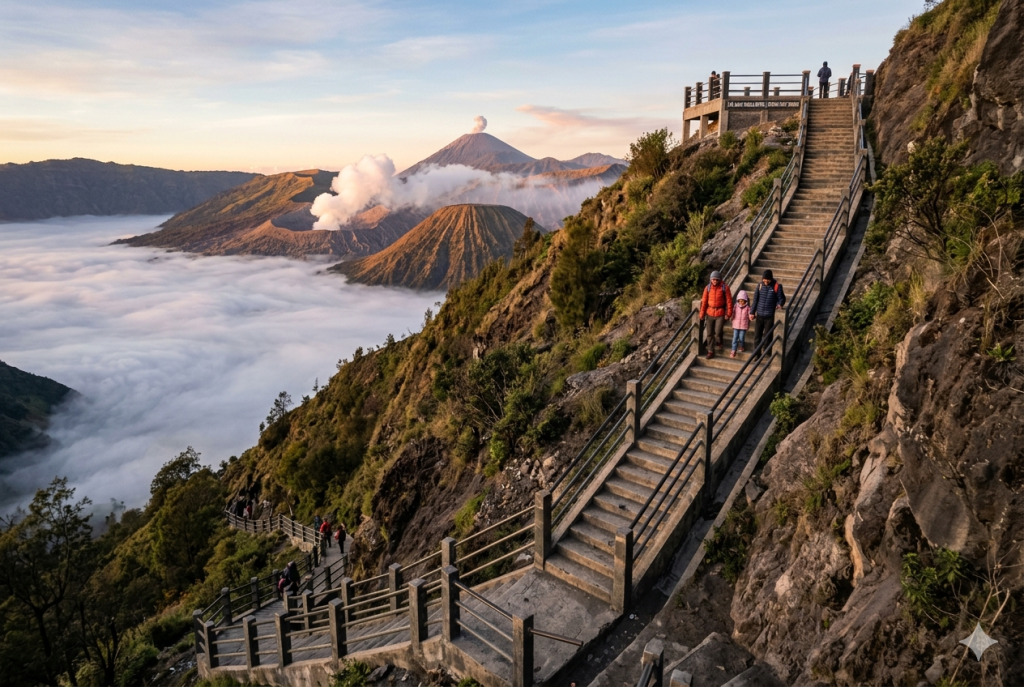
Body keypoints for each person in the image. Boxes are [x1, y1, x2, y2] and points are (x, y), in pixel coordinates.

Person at [749, 269, 786, 352]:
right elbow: (755, 300)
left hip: (769, 315)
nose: (765, 281)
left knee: (767, 336)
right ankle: (756, 353)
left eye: (767, 279)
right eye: (764, 279)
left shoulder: (777, 286)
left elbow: (782, 298)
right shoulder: (760, 285)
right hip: (759, 315)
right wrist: (752, 312)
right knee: (757, 336)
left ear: (771, 278)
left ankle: (766, 352)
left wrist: (779, 304)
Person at [699, 270, 733, 359]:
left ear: (720, 280)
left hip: (720, 313)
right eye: (713, 279)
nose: (715, 281)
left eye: (717, 280)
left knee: (718, 332)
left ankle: (719, 341)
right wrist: (702, 313)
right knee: (709, 333)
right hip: (710, 312)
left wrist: (728, 313)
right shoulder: (708, 288)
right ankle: (710, 351)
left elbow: (729, 301)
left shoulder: (724, 287)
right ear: (711, 280)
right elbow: (704, 301)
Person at [730, 291, 751, 358]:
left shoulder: (747, 307)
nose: (741, 303)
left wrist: (751, 316)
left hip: (743, 325)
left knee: (741, 337)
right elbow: (733, 312)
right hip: (736, 324)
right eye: (740, 301)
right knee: (735, 338)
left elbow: (749, 314)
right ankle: (733, 350)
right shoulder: (736, 306)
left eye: (742, 301)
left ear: (745, 301)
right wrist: (731, 316)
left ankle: (742, 346)